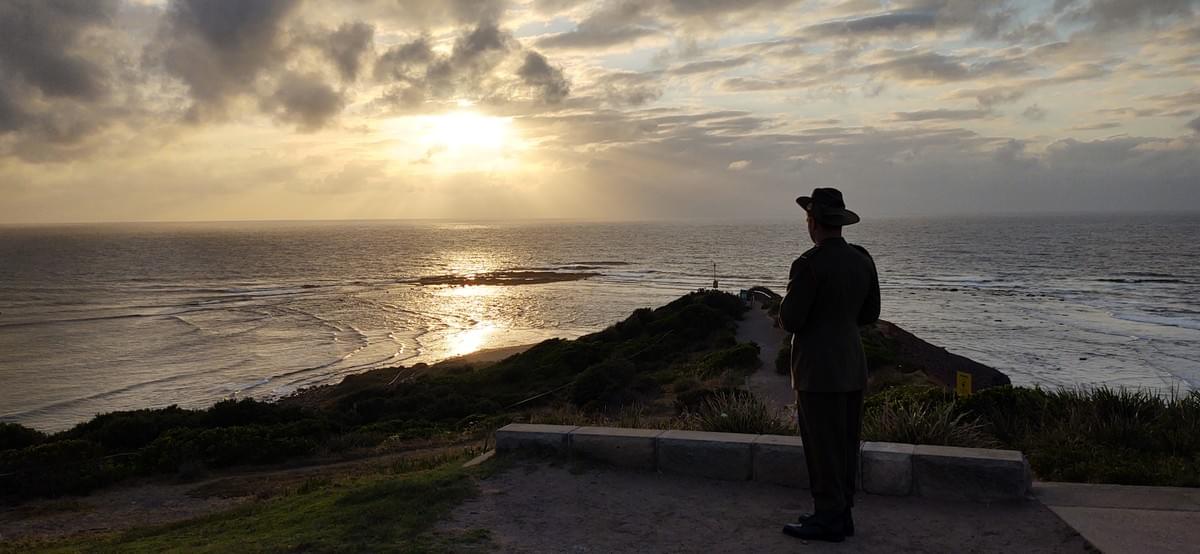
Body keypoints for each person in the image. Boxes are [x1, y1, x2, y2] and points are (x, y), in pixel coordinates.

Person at [777, 187, 880, 543]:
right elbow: (870, 314)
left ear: (813, 222)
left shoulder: (808, 264)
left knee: (821, 447)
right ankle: (841, 513)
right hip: (852, 364)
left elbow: (790, 319)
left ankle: (827, 518)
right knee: (845, 444)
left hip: (817, 370)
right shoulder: (863, 259)